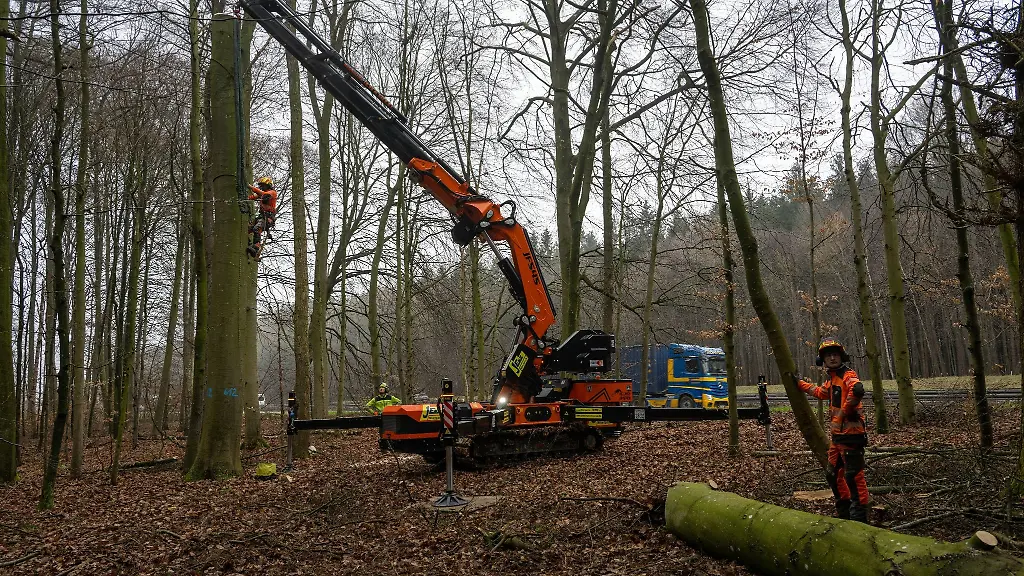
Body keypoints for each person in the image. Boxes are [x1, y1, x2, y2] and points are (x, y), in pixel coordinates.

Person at [797, 337, 869, 523]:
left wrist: (845, 411)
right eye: (828, 355)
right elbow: (820, 392)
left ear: (841, 356)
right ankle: (844, 513)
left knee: (854, 477)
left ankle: (859, 519)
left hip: (852, 436)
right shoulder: (832, 380)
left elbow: (857, 389)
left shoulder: (848, 375)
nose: (832, 358)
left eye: (835, 354)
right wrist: (800, 384)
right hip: (837, 438)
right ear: (822, 360)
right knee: (833, 475)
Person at [247, 176, 278, 259]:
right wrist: (246, 198)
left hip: (268, 217)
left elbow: (263, 194)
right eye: (261, 186)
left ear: (268, 185)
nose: (262, 187)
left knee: (257, 229)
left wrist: (251, 187)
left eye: (263, 185)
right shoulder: (262, 194)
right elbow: (252, 197)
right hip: (261, 216)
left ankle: (256, 248)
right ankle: (249, 243)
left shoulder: (272, 193)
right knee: (249, 228)